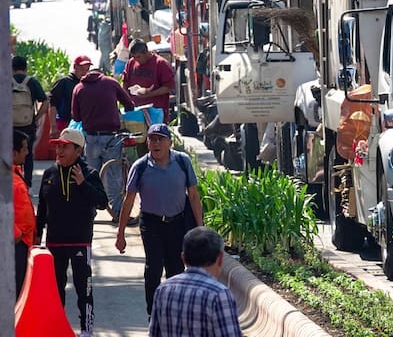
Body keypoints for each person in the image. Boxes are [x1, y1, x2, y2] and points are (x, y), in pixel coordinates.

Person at [115, 123, 203, 315]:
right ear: (147, 143)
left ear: (170, 142)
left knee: (176, 269)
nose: (155, 143)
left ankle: (173, 313)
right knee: (153, 268)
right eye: (152, 139)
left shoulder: (182, 162)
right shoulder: (140, 167)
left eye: (160, 139)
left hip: (178, 223)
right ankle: (153, 312)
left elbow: (194, 195)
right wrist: (120, 233)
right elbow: (128, 200)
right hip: (151, 223)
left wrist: (200, 228)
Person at [36, 127, 108, 337]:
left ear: (78, 150)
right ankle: (57, 328)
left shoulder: (89, 173)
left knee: (83, 289)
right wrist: (37, 237)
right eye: (58, 146)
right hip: (54, 242)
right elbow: (42, 208)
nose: (59, 150)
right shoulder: (49, 173)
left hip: (80, 242)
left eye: (64, 147)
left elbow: (102, 202)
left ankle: (86, 330)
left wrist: (84, 185)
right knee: (55, 291)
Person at [148, 227, 243, 337]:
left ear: (183, 258)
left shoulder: (163, 289)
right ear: (220, 258)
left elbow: (154, 333)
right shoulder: (219, 294)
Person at [72, 63, 135, 223]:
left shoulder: (79, 88)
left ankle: (89, 212)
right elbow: (129, 104)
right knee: (112, 175)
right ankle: (119, 214)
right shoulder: (111, 83)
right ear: (100, 74)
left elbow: (76, 117)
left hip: (91, 138)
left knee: (92, 175)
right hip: (111, 138)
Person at [12, 55, 49, 186]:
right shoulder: (31, 82)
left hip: (10, 127)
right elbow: (45, 102)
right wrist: (36, 118)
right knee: (27, 155)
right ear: (25, 68)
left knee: (8, 154)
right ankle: (26, 184)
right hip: (27, 126)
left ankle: (10, 182)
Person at [122, 38, 175, 123]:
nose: (136, 60)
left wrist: (149, 94)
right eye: (133, 57)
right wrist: (126, 99)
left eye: (138, 57)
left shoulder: (160, 63)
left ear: (146, 52)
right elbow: (125, 82)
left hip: (156, 111)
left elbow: (168, 87)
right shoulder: (131, 63)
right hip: (136, 112)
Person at [13, 130, 36, 299]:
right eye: (24, 149)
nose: (27, 153)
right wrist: (16, 234)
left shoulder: (16, 173)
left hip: (23, 243)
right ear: (13, 153)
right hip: (14, 244)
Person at [49, 55, 92, 138]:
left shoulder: (86, 84)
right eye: (82, 69)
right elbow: (52, 104)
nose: (84, 73)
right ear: (75, 67)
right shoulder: (63, 82)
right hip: (64, 123)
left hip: (82, 126)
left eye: (87, 70)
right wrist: (53, 126)